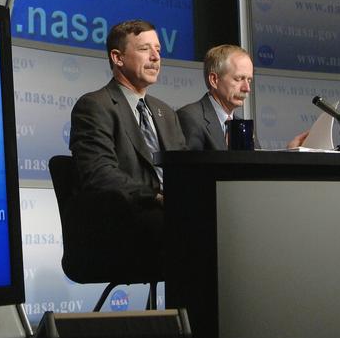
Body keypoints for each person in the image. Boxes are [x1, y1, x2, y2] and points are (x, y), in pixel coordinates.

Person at [69, 20, 186, 265]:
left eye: (158, 50)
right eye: (145, 49)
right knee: (200, 234)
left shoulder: (166, 113)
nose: (156, 57)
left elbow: (185, 170)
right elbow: (100, 174)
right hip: (127, 222)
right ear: (117, 58)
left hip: (174, 214)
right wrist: (156, 196)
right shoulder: (95, 106)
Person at [177, 44, 308, 150]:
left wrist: (290, 153)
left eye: (249, 80)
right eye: (239, 79)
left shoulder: (241, 126)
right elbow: (189, 173)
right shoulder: (190, 118)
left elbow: (257, 171)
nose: (247, 88)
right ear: (214, 80)